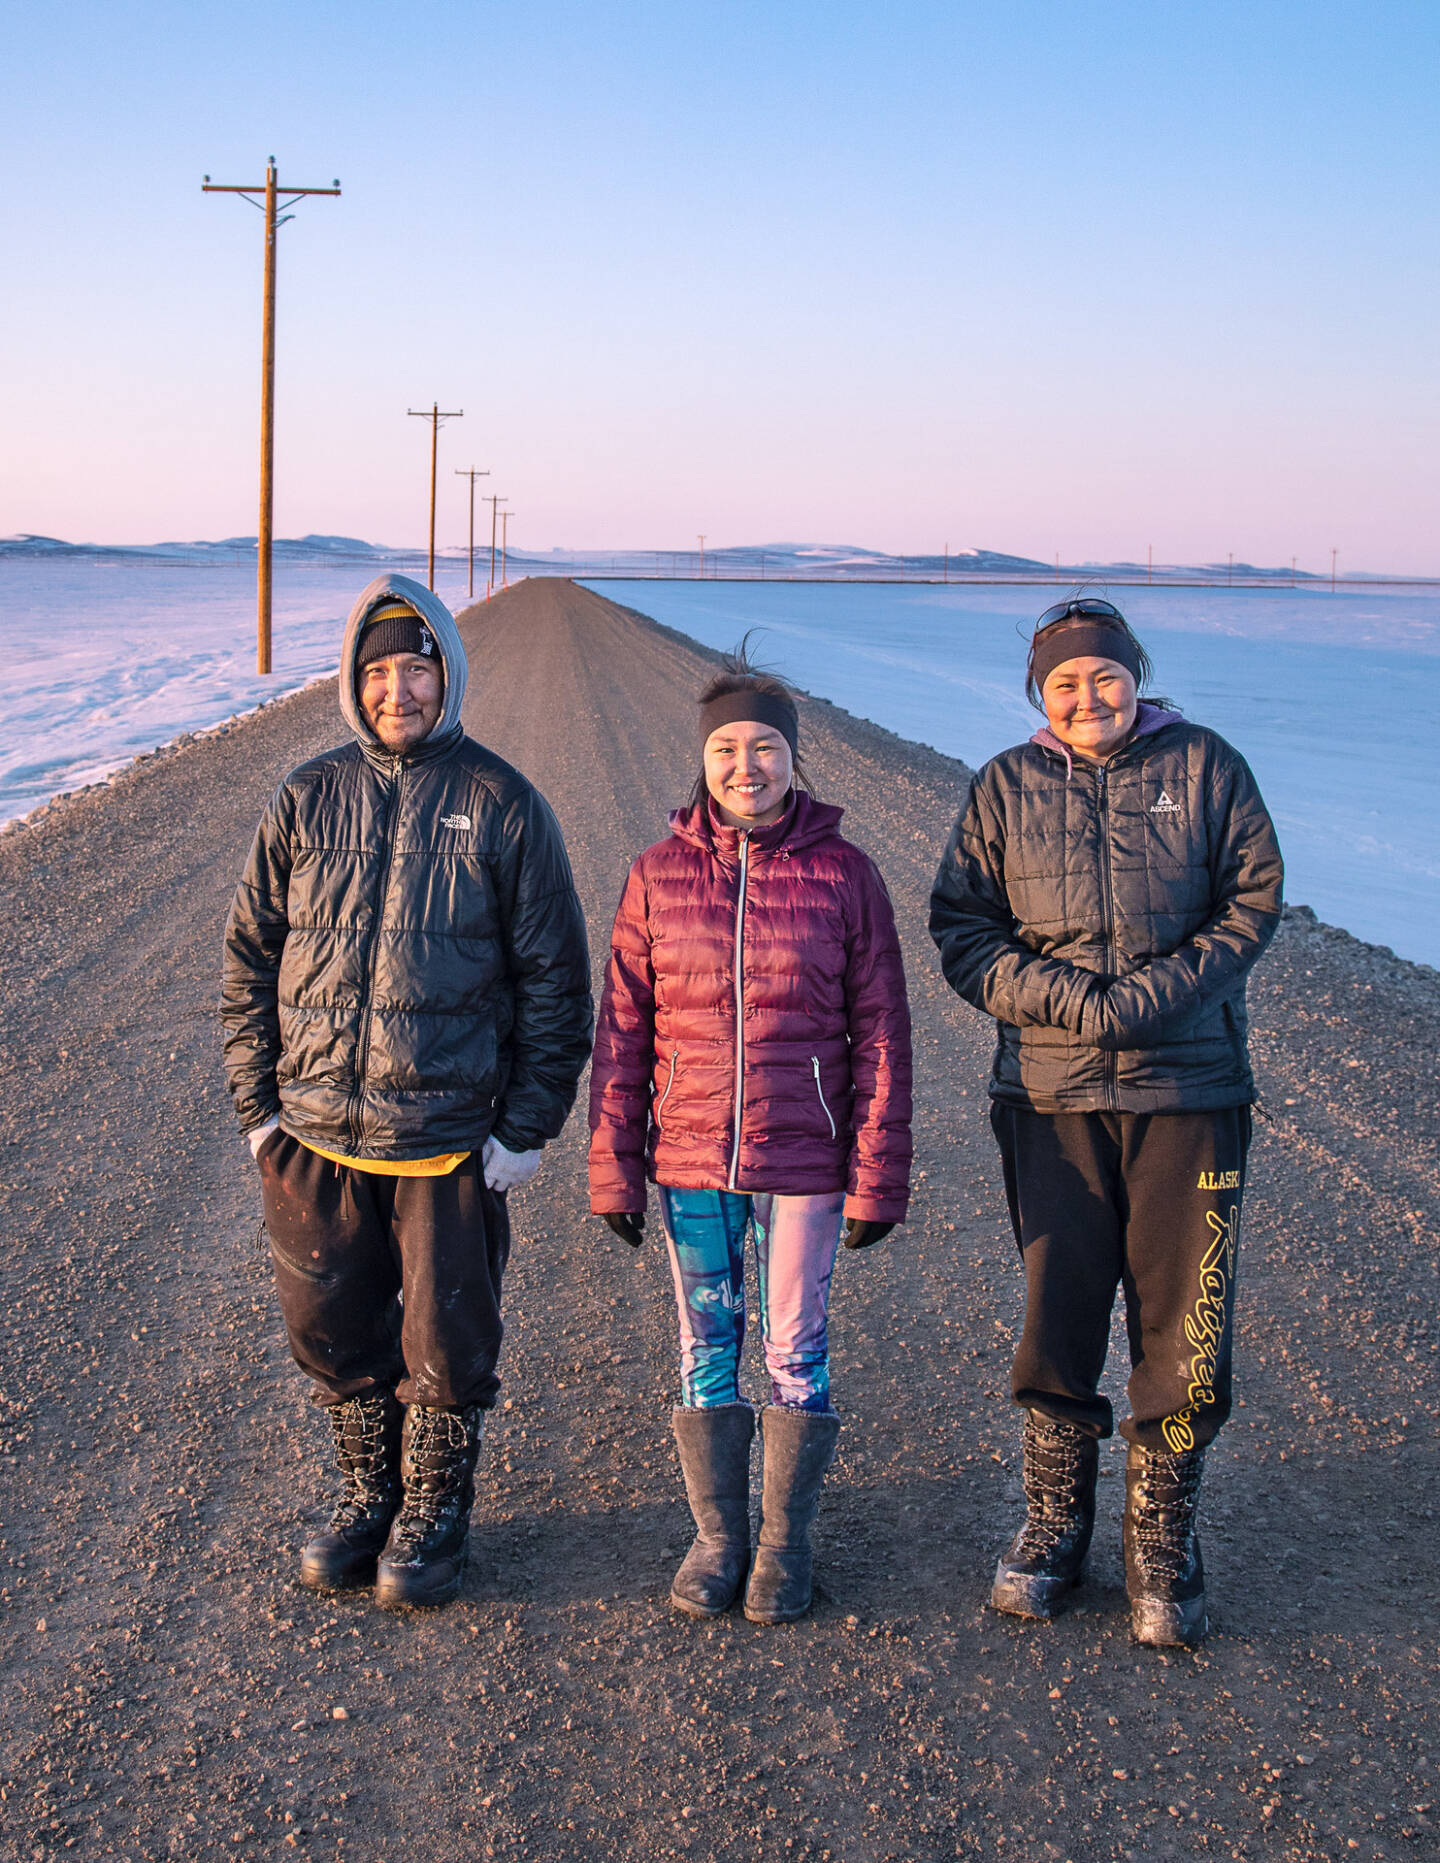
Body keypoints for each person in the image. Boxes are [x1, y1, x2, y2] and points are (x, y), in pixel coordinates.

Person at [221, 574, 591, 1609]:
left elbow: (558, 983)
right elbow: (248, 959)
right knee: (333, 1330)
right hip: (317, 1136)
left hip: (446, 1140)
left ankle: (434, 1512)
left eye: (416, 667)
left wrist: (525, 1129)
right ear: (353, 679)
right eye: (377, 670)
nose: (397, 689)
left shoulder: (503, 803)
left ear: (448, 674)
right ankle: (367, 1496)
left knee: (446, 1343)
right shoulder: (306, 796)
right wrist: (261, 1113)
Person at [929, 596, 1282, 1648]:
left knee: (1186, 1315)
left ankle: (1162, 1538)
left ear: (1137, 676)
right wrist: (1068, 1002)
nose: (1089, 698)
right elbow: (963, 927)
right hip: (1050, 1094)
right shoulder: (1005, 784)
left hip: (1190, 1092)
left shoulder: (1206, 767)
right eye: (1065, 684)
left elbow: (1252, 900)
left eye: (1106, 677)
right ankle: (1053, 1524)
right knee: (1061, 1307)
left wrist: (1149, 999)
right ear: (1040, 694)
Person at [588, 651, 912, 1624]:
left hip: (805, 1164)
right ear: (704, 759)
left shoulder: (845, 876)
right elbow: (622, 1034)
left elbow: (883, 1032)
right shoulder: (655, 877)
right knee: (702, 1348)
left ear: (793, 758)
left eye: (765, 747)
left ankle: (783, 1543)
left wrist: (877, 1181)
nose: (746, 766)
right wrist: (613, 1170)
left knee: (794, 1352)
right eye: (727, 747)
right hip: (690, 1164)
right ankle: (718, 1536)